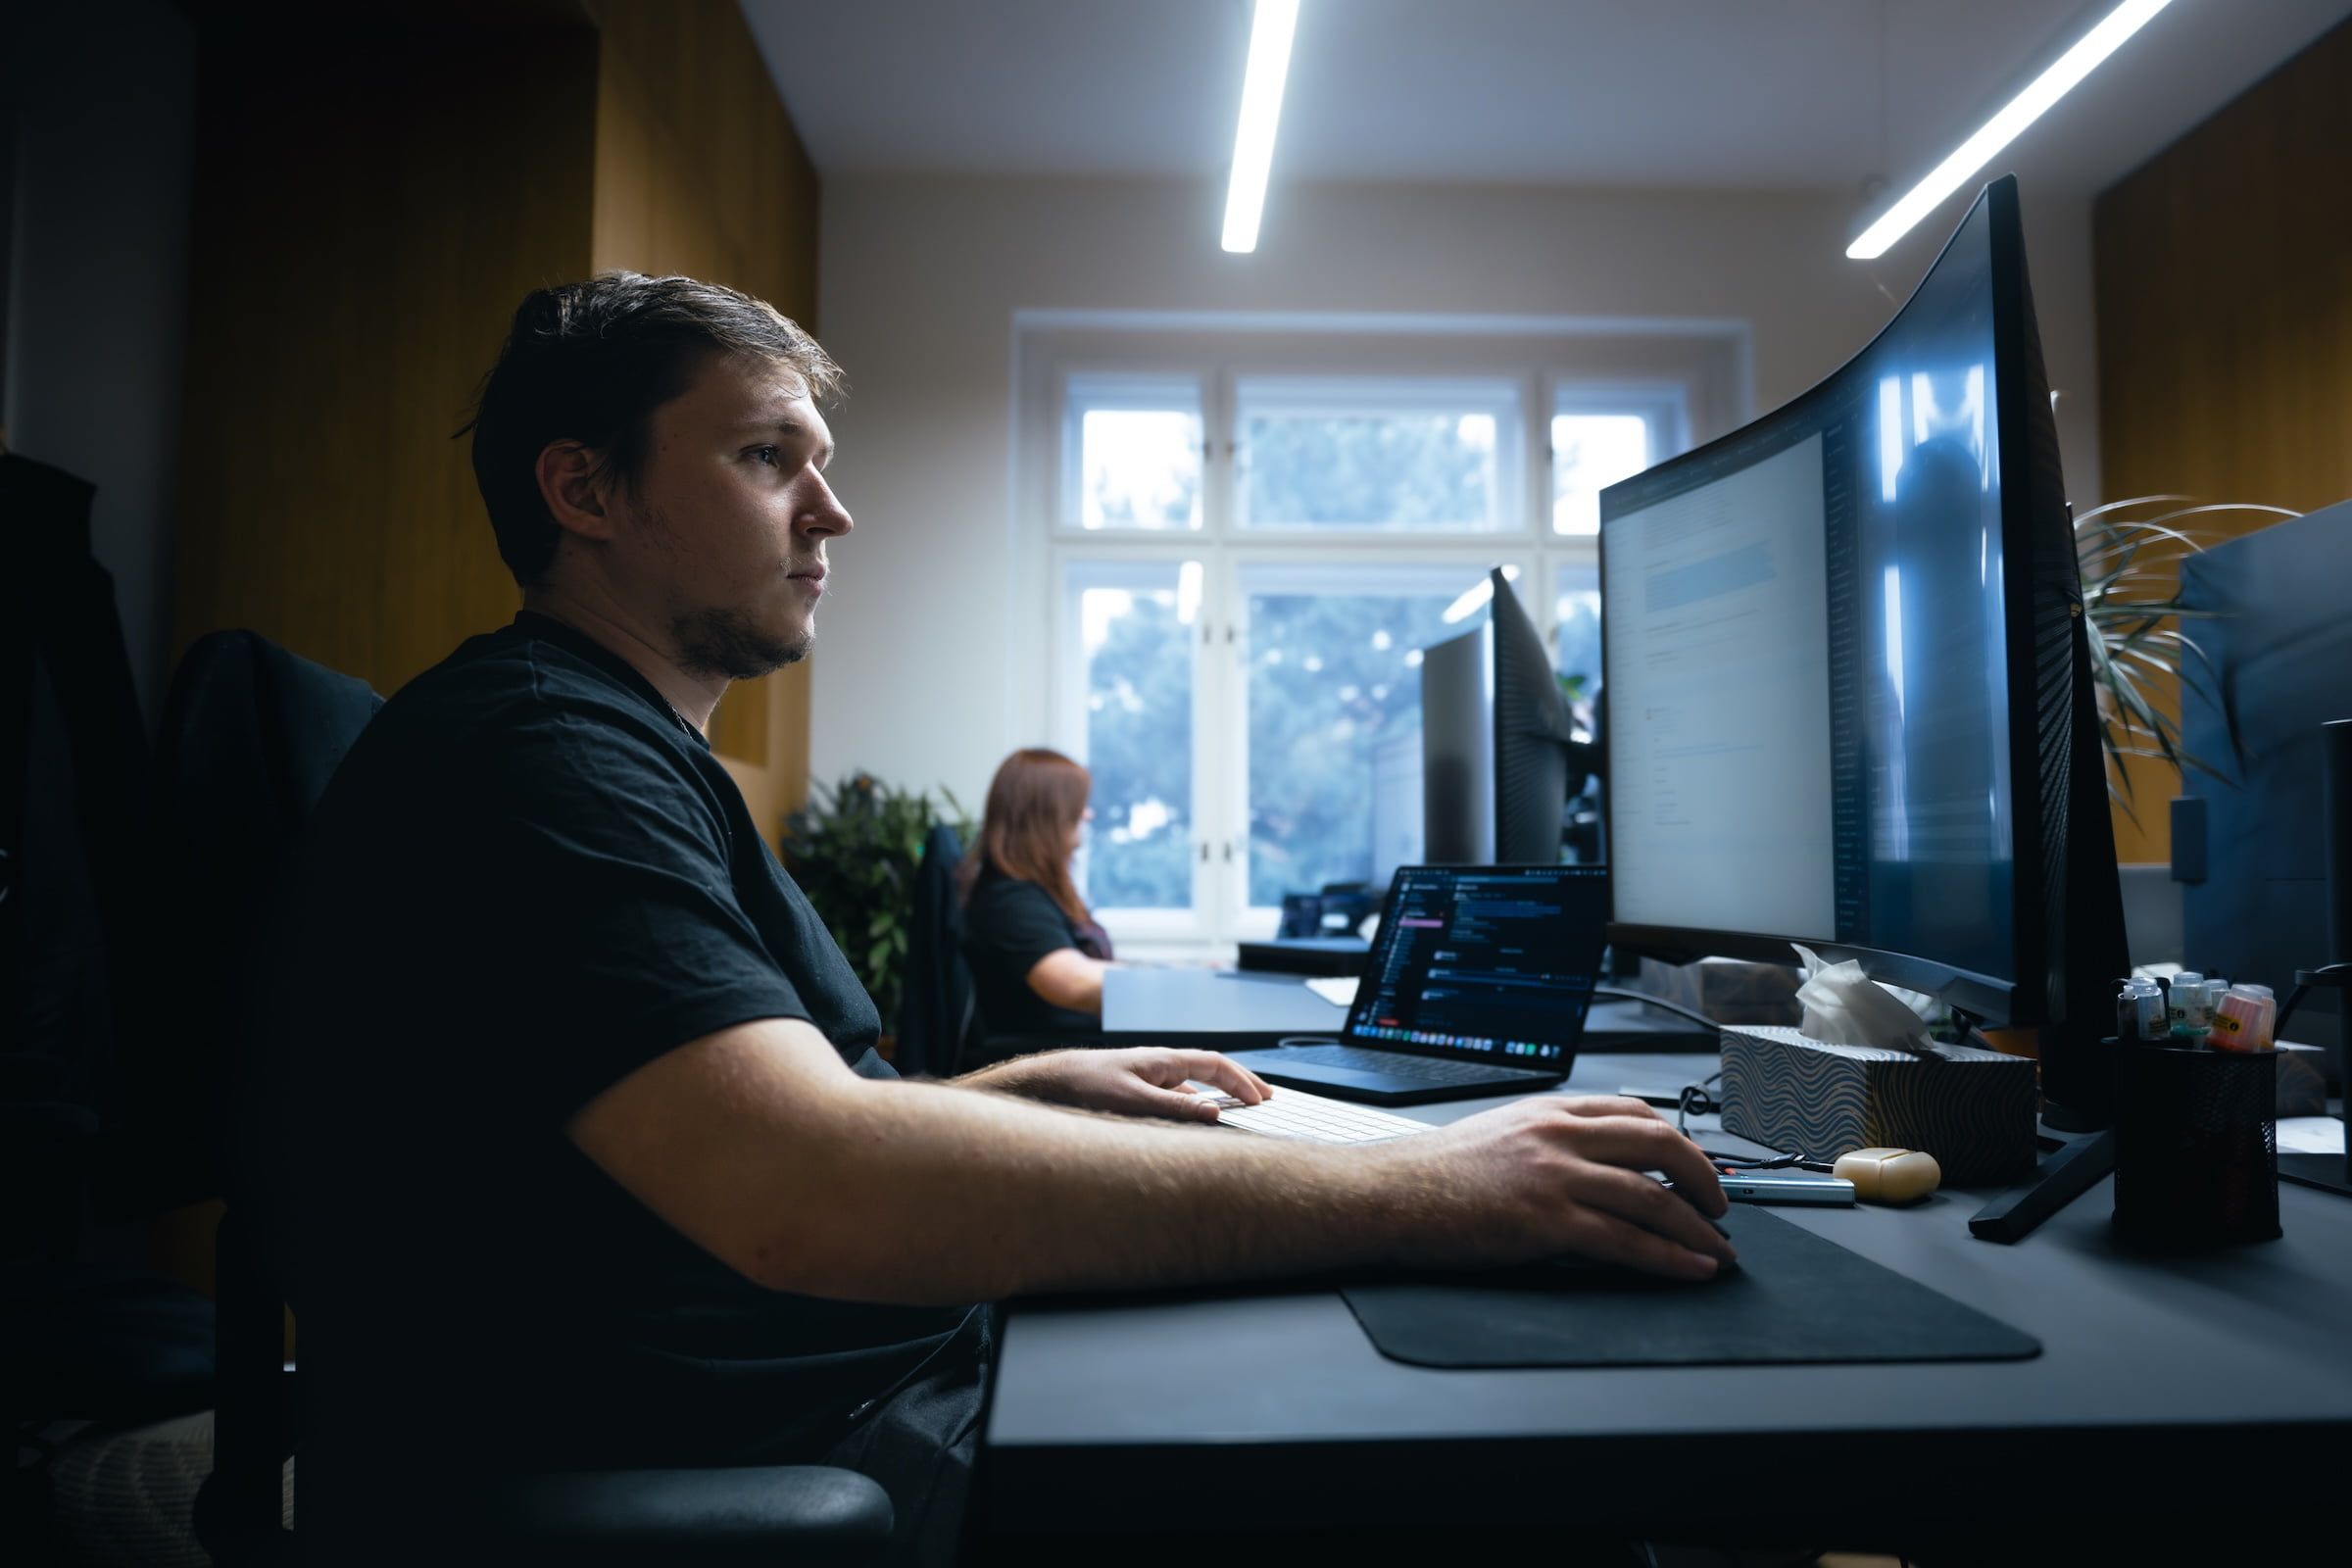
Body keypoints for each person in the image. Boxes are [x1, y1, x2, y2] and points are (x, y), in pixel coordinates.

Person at [289, 272, 1734, 1566]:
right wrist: (1429, 1189)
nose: (830, 509)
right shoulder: (541, 760)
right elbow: (804, 1193)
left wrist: (1019, 1088)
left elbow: (748, 1123)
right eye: (764, 457)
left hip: (854, 1372)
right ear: (585, 493)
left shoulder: (626, 748)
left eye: (822, 463)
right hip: (796, 1448)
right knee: (1523, 1488)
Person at [957, 748, 1115, 1048]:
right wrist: (1173, 984)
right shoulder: (1010, 899)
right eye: (1078, 805)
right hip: (1054, 1061)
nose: (1088, 813)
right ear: (1048, 815)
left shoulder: (1031, 891)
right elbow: (1074, 983)